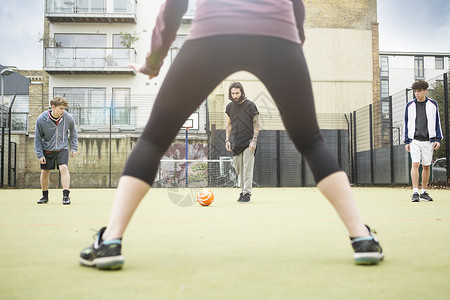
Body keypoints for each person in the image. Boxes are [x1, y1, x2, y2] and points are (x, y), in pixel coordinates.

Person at [79, 0, 384, 270]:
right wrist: (293, 47)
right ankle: (361, 237)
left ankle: (110, 241)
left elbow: (175, 5)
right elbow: (297, 8)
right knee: (311, 140)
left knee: (153, 139)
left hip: (213, 35)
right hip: (278, 39)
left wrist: (153, 62)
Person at [404, 80, 442, 202]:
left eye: (419, 91)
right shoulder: (409, 105)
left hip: (428, 141)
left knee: (426, 166)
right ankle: (415, 192)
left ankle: (424, 192)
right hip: (414, 140)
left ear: (425, 91)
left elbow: (437, 122)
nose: (417, 94)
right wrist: (406, 141)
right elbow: (406, 123)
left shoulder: (433, 104)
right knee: (415, 164)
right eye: (415, 92)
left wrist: (438, 139)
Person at [35, 96, 78, 205]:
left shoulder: (68, 118)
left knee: (63, 168)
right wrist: (40, 155)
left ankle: (65, 196)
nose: (63, 111)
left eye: (64, 109)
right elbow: (38, 138)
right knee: (45, 172)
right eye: (61, 109)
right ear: (53, 107)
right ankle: (45, 196)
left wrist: (74, 147)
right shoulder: (41, 119)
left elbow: (73, 132)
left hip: (62, 148)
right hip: (47, 149)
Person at [225, 82, 259, 203]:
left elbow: (256, 124)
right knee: (239, 169)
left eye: (237, 93)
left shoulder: (250, 105)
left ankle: (247, 193)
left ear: (242, 92)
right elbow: (229, 126)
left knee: (247, 169)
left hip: (249, 142)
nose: (235, 95)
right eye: (232, 93)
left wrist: (254, 140)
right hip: (235, 142)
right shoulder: (229, 107)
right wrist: (227, 140)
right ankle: (242, 190)